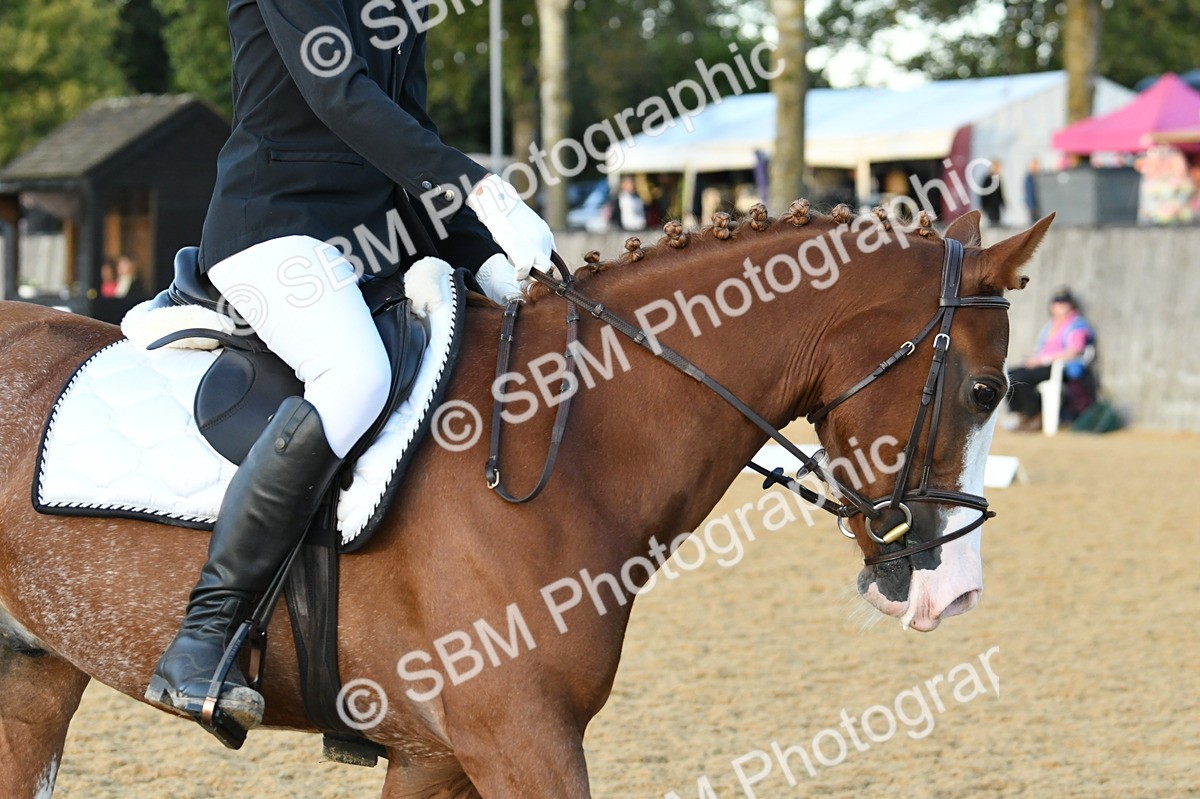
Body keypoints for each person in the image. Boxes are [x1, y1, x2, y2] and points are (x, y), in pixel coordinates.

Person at [143, 1, 555, 742]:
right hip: (271, 229)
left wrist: (486, 259)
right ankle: (203, 637)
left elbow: (410, 141)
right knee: (357, 374)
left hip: (372, 247)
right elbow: (339, 95)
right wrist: (487, 191)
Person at [1006, 288, 1094, 431]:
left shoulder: (1077, 325)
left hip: (1063, 368)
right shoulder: (1051, 325)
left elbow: (1074, 352)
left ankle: (1035, 415)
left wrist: (1043, 360)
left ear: (1070, 306)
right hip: (1044, 364)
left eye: (1063, 303)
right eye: (1056, 303)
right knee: (1010, 375)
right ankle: (1021, 414)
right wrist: (1035, 359)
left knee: (1023, 378)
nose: (1058, 306)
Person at [980, 159, 1005, 226]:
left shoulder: (997, 179)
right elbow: (983, 194)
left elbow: (1000, 193)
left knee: (998, 222)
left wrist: (1003, 203)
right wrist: (984, 207)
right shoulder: (987, 179)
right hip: (989, 206)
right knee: (992, 224)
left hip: (997, 206)